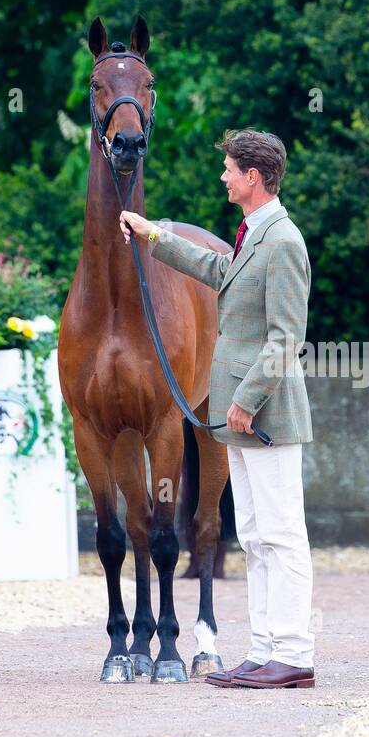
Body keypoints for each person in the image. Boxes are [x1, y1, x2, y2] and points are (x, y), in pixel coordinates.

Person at [119, 128, 316, 688]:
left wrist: (246, 401)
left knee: (282, 534)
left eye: (230, 169)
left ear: (253, 177)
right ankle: (263, 648)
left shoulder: (283, 241)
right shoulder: (254, 235)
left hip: (265, 416)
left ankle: (295, 653)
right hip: (242, 418)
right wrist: (152, 234)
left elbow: (285, 339)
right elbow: (215, 272)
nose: (223, 176)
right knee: (253, 535)